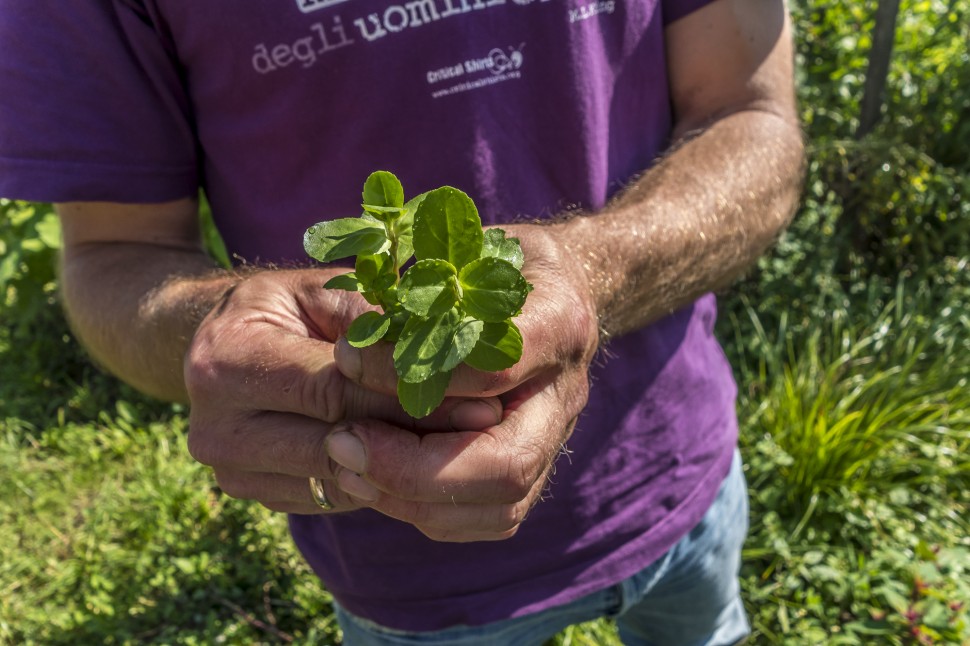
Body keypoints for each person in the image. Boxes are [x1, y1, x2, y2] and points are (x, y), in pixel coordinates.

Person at [0, 0, 804, 643]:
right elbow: (114, 251)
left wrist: (591, 276)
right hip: (401, 539)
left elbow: (751, 115)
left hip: (680, 466)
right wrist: (228, 335)